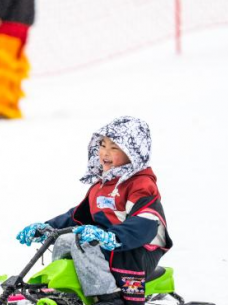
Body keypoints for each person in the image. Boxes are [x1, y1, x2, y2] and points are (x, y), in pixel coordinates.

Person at [16, 116, 172, 305]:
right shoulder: (103, 184)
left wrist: (112, 237)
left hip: (136, 250)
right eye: (103, 145)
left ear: (134, 153)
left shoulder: (141, 184)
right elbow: (80, 217)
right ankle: (62, 288)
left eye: (114, 147)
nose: (105, 153)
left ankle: (109, 298)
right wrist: (47, 228)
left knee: (85, 243)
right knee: (66, 240)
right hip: (110, 248)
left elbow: (146, 223)